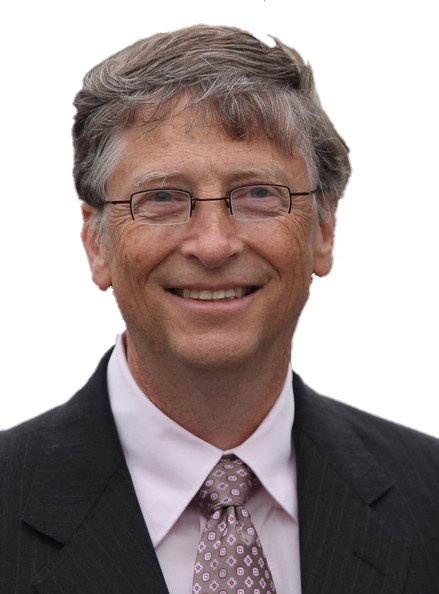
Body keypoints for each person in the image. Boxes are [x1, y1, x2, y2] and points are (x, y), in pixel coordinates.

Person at [1, 24, 438, 594]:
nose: (213, 246)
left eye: (257, 193)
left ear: (325, 230)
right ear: (96, 243)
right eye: (162, 197)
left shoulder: (430, 492)